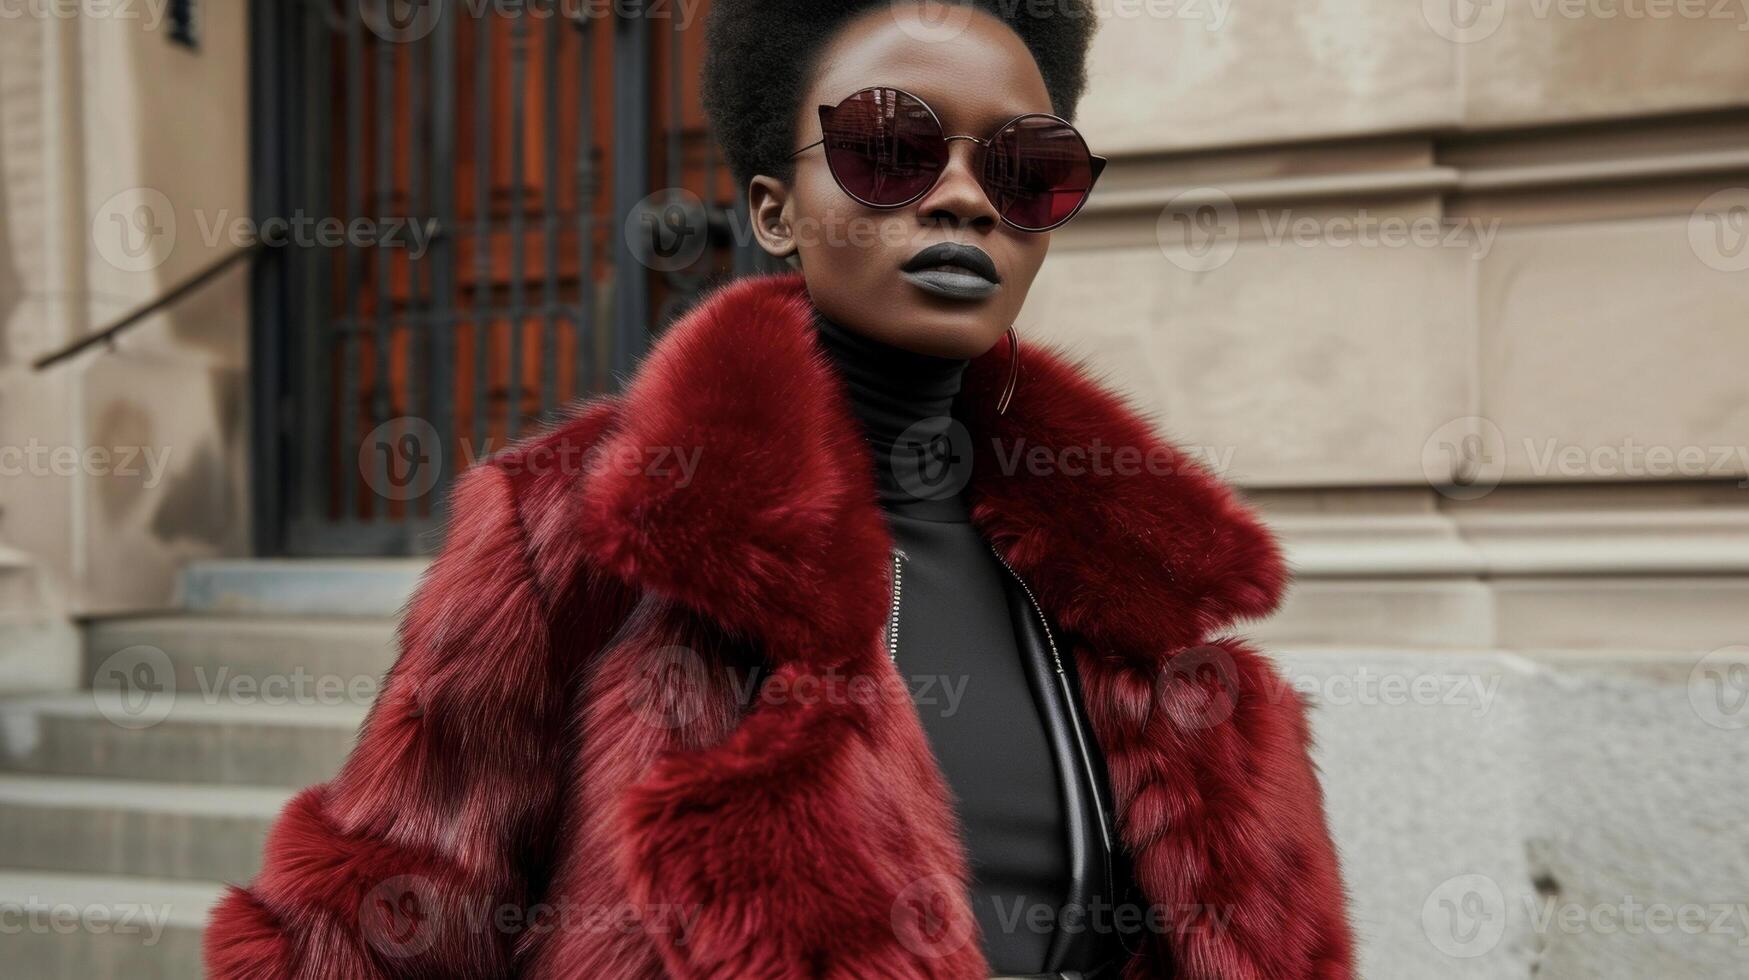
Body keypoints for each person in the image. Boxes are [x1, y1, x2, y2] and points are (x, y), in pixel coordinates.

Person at [205, 2, 1354, 977]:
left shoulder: (1140, 608)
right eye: (891, 149)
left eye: (1024, 167)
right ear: (770, 209)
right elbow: (368, 929)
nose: (964, 200)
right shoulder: (574, 533)